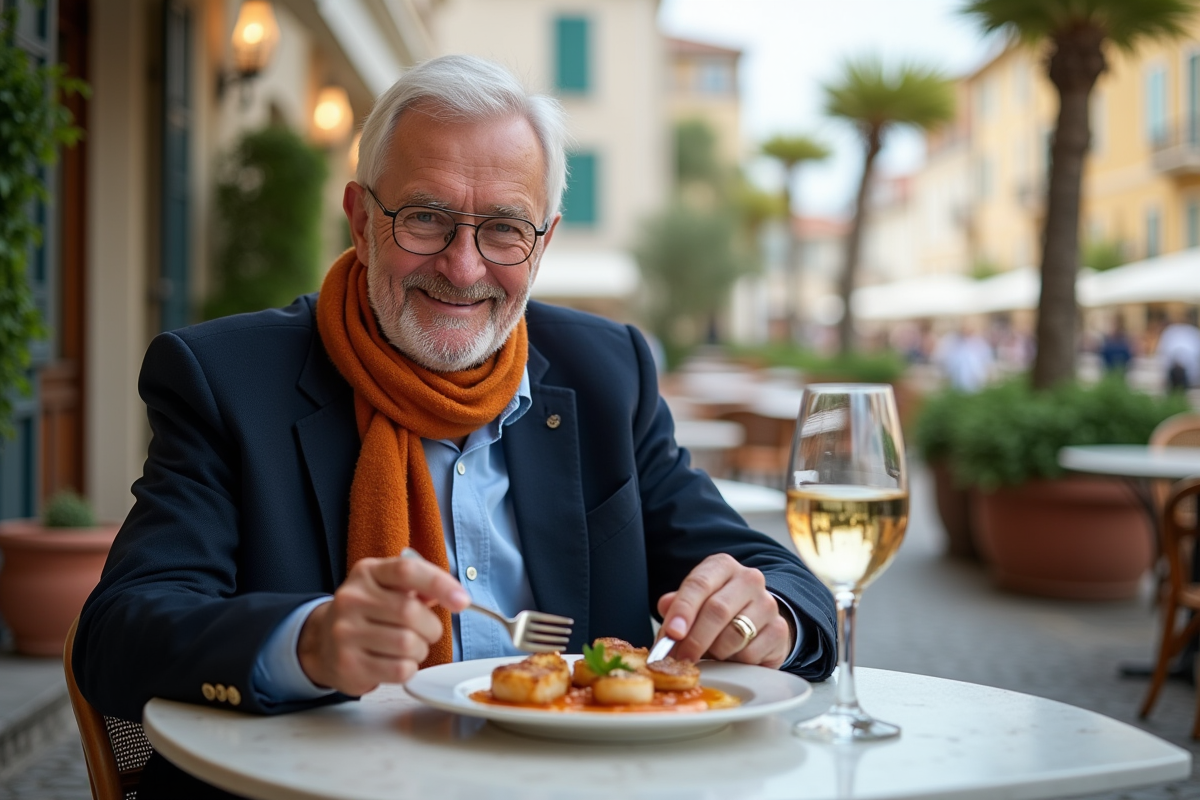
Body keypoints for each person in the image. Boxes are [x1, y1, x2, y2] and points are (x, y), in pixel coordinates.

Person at [73, 56, 836, 798]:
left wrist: (766, 619)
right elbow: (119, 634)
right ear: (361, 219)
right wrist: (310, 639)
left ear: (544, 242)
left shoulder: (607, 373)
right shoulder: (225, 380)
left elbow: (787, 583)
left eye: (505, 229)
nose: (464, 268)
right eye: (427, 218)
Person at [1156, 309, 1200, 391]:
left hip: (1188, 371)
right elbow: (1162, 352)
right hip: (1172, 369)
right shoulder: (1170, 331)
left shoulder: (1193, 332)